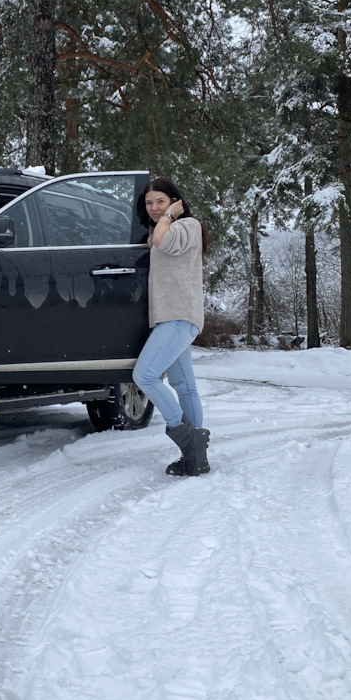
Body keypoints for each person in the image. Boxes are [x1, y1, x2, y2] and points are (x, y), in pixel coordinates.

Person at [131, 178, 210, 476]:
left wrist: (168, 216)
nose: (154, 208)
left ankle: (185, 434)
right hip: (172, 317)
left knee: (145, 375)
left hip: (179, 316)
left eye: (160, 201)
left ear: (176, 202)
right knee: (184, 386)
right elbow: (157, 242)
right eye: (149, 203)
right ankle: (195, 458)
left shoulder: (187, 225)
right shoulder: (168, 229)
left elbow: (163, 240)